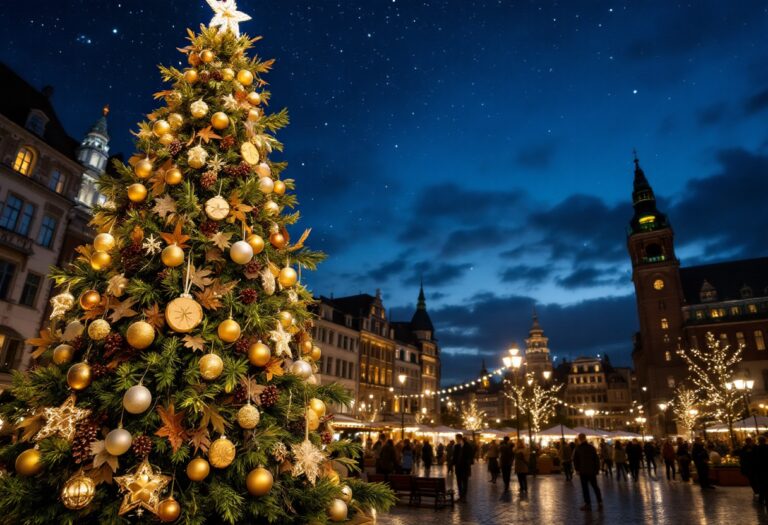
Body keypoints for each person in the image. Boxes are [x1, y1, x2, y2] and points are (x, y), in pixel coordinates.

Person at [573, 433, 603, 511]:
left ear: (579, 439)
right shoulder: (591, 447)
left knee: (585, 488)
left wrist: (577, 469)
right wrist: (597, 469)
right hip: (592, 470)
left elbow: (575, 460)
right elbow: (596, 459)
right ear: (585, 438)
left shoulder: (578, 448)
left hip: (583, 471)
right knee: (595, 486)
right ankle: (599, 501)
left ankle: (588, 504)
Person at [453, 434, 473, 502]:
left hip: (465, 467)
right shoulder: (456, 446)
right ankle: (460, 496)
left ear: (460, 438)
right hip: (458, 467)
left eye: (457, 439)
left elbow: (470, 456)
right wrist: (453, 463)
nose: (456, 440)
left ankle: (464, 497)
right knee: (459, 482)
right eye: (456, 439)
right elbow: (455, 456)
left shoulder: (467, 446)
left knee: (464, 482)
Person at [755, 435, 768, 509]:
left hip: (760, 470)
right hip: (766, 469)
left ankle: (762, 498)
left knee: (762, 485)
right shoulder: (766, 447)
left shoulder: (756, 448)